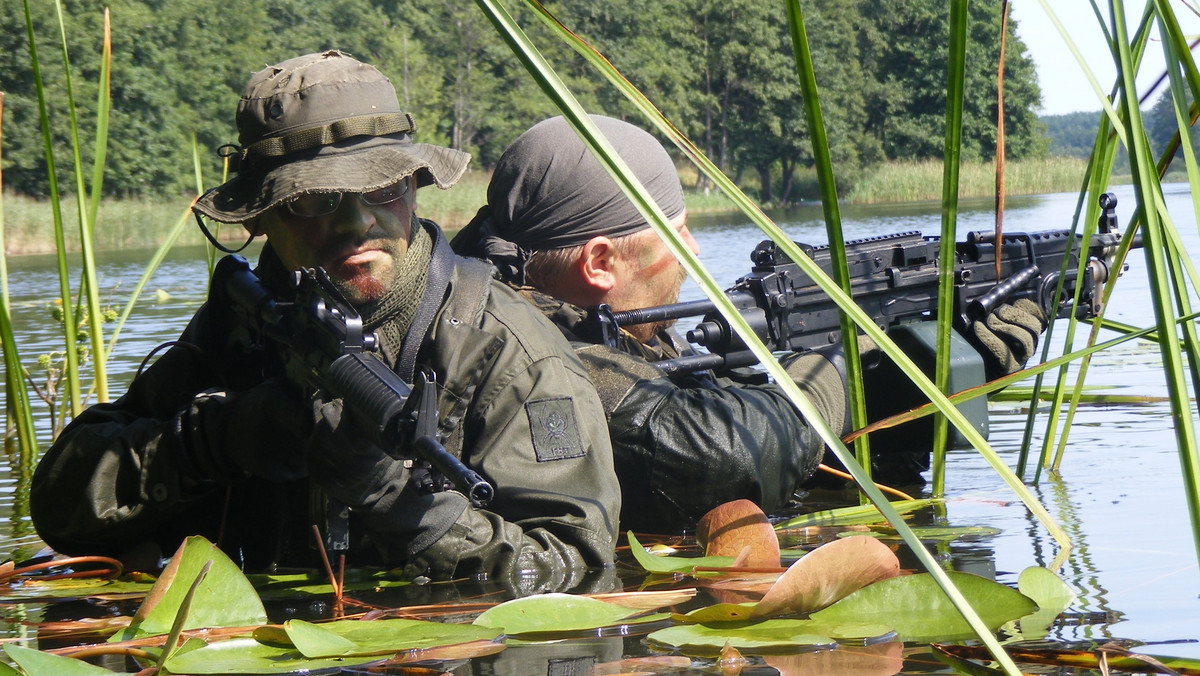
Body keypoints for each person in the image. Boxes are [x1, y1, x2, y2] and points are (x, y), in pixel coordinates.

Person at [30, 51, 621, 590]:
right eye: (315, 200)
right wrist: (210, 441)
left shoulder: (508, 352)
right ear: (260, 218)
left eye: (383, 186)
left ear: (414, 187)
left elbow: (576, 564)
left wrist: (397, 500)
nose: (359, 222)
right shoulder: (245, 322)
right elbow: (60, 505)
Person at [451, 115, 1048, 531]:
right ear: (601, 263)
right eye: (676, 232)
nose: (694, 251)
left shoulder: (569, 315)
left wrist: (900, 396)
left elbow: (743, 424)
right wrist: (843, 366)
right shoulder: (529, 353)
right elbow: (720, 454)